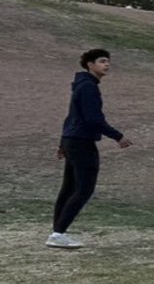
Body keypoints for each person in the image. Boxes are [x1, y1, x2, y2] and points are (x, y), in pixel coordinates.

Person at [47, 48, 132, 249]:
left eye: (108, 61)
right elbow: (93, 119)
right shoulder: (88, 87)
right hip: (81, 143)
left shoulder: (83, 85)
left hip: (72, 140)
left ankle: (58, 231)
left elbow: (71, 117)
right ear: (90, 64)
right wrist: (118, 136)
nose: (107, 65)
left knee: (68, 188)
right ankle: (58, 234)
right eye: (102, 61)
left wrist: (63, 143)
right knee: (84, 188)